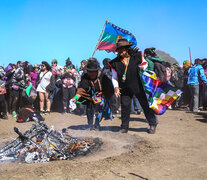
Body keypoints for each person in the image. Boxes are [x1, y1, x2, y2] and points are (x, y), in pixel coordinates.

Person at [109, 39, 158, 134]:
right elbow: (114, 77)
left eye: (122, 50)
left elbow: (145, 64)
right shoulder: (114, 63)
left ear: (127, 49)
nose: (120, 52)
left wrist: (143, 67)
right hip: (124, 88)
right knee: (125, 106)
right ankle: (124, 127)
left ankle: (152, 123)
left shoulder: (136, 57)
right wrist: (116, 87)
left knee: (145, 105)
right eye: (118, 50)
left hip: (138, 86)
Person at [72, 58, 113, 130]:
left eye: (93, 72)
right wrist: (75, 98)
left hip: (101, 96)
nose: (91, 74)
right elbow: (82, 89)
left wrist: (102, 93)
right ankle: (90, 125)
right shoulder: (85, 77)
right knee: (89, 109)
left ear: (97, 71)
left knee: (100, 109)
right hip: (90, 95)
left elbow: (110, 89)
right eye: (89, 71)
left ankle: (97, 124)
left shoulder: (104, 77)